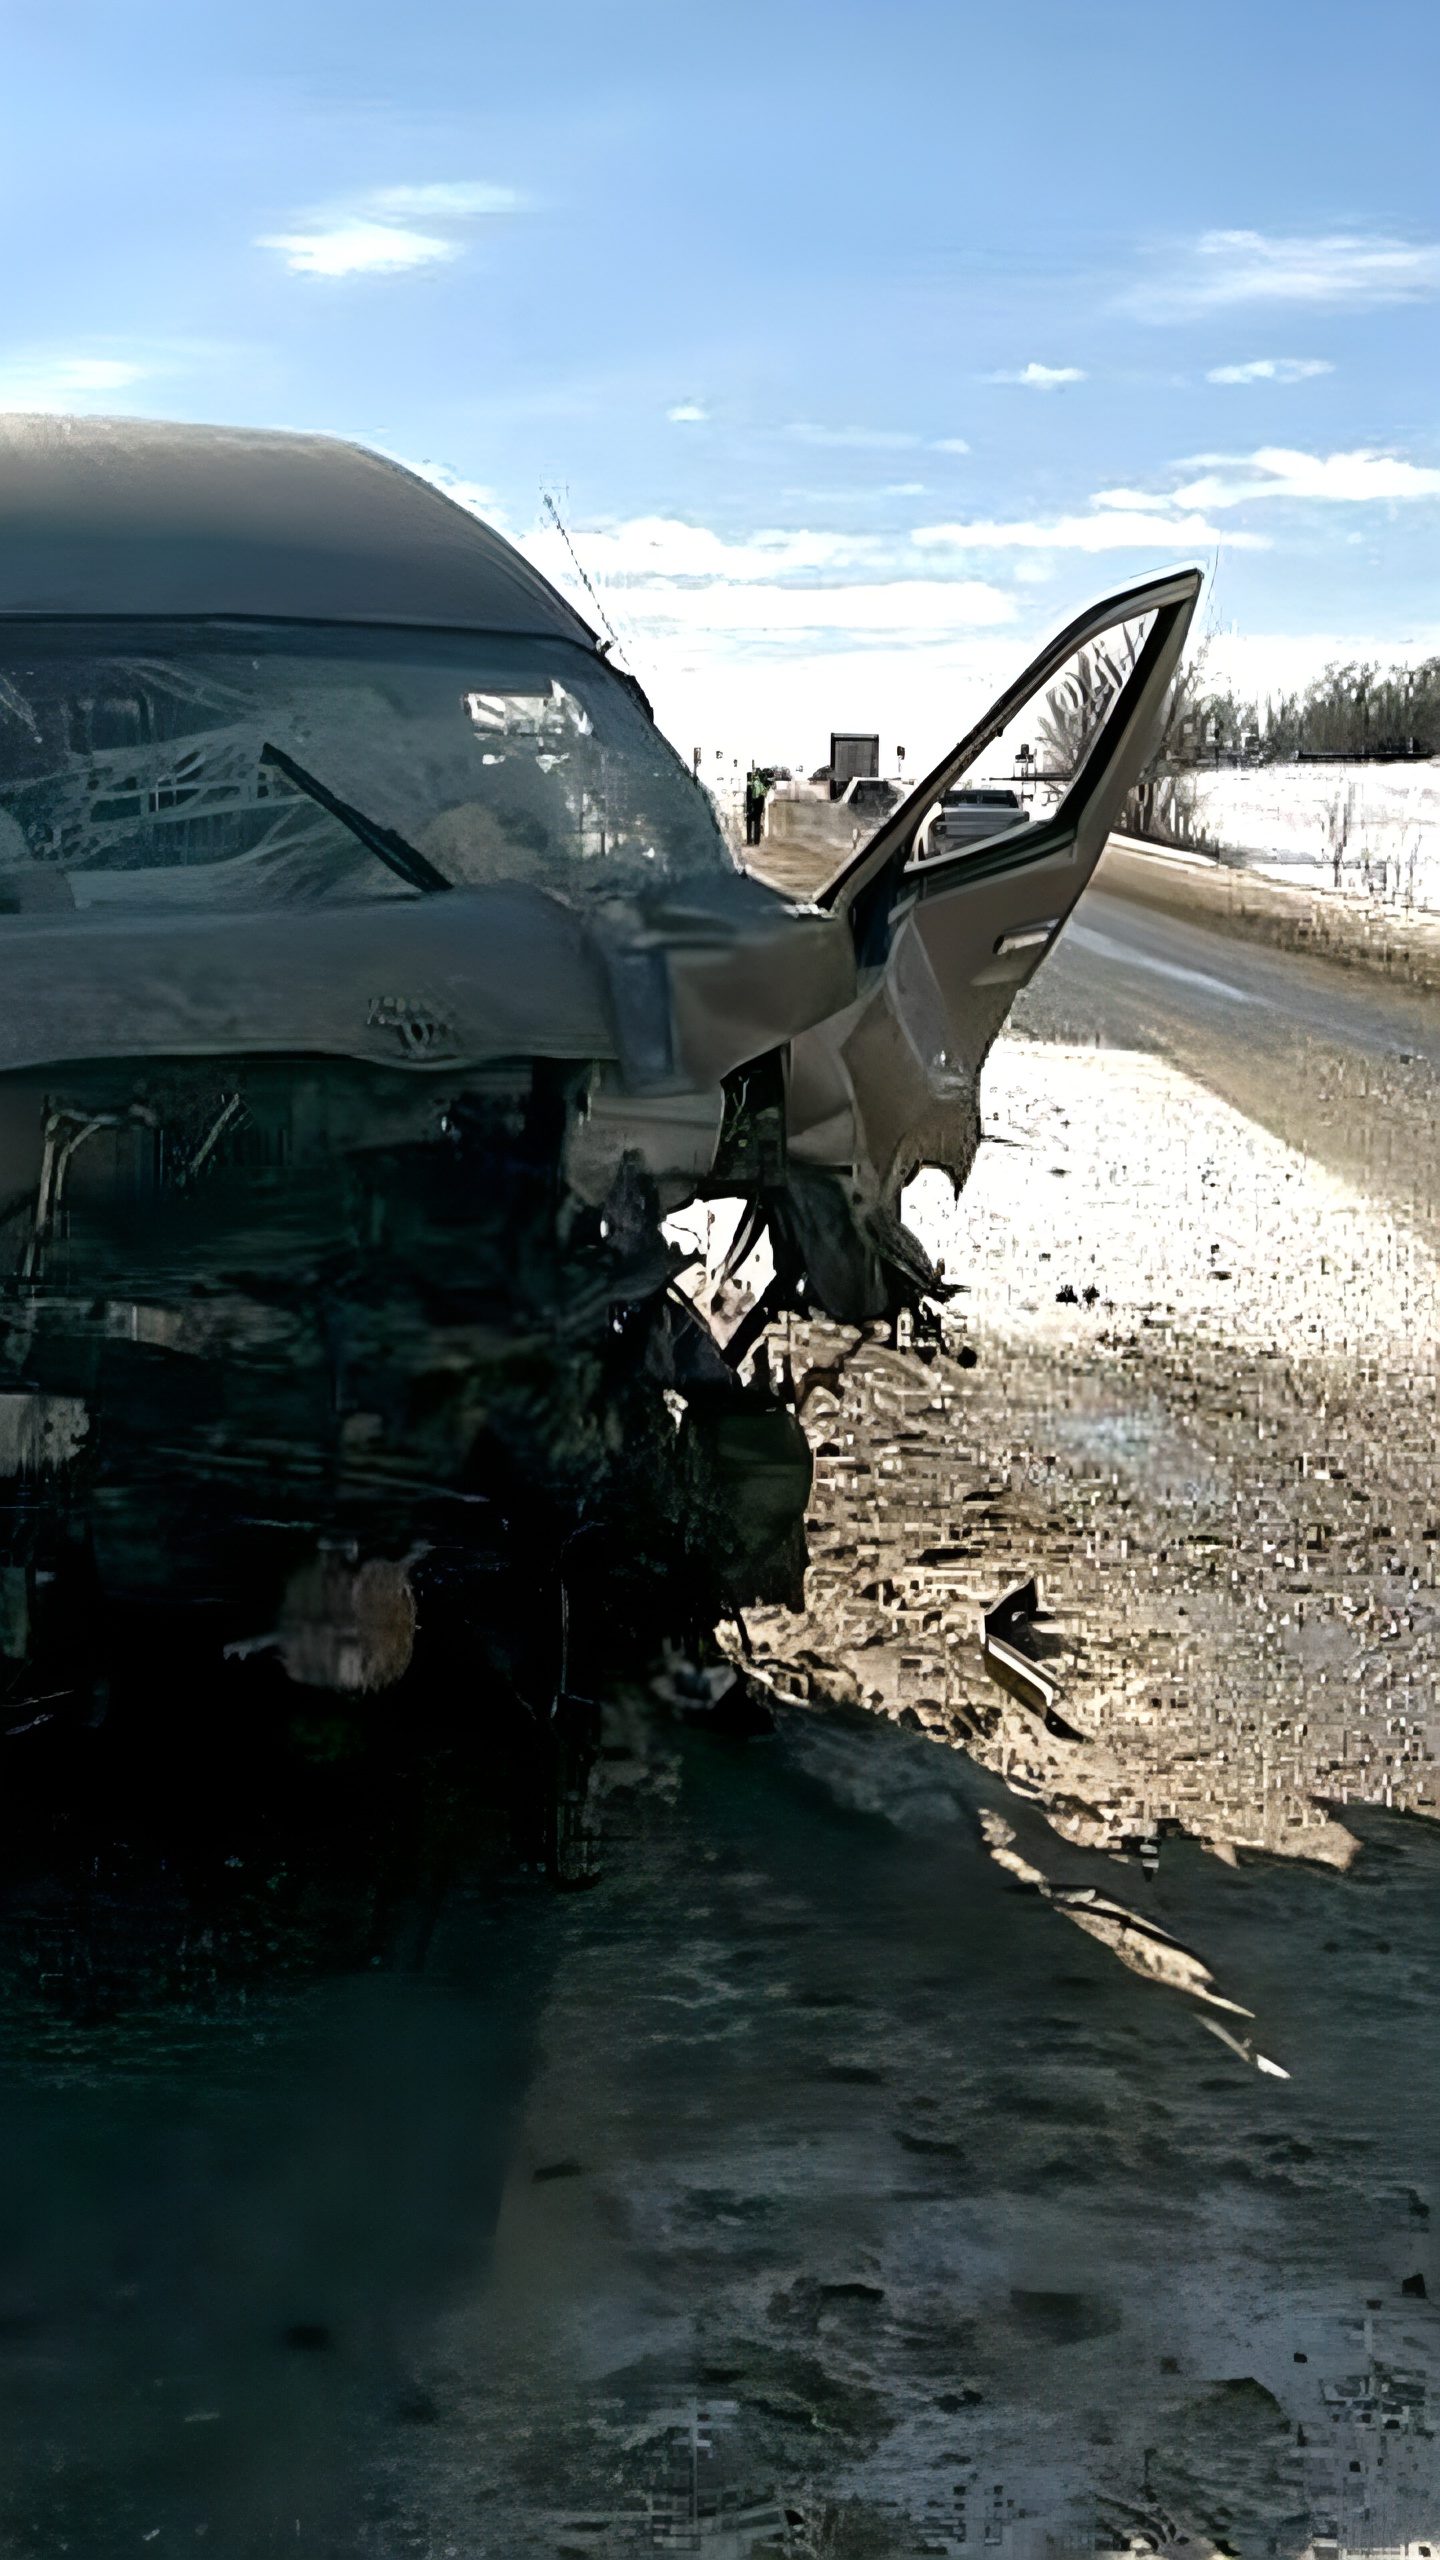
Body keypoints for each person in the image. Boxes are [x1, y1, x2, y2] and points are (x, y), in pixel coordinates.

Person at [744, 766, 768, 846]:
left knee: (750, 824)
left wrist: (747, 809)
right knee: (757, 824)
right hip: (757, 807)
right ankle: (756, 841)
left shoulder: (751, 786)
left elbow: (749, 798)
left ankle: (749, 840)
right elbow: (762, 796)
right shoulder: (761, 786)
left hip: (752, 807)